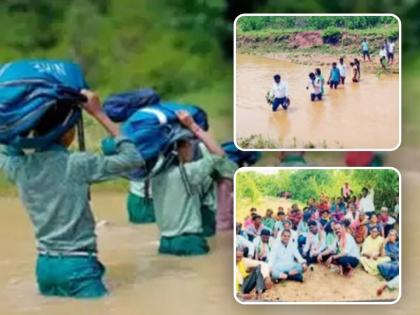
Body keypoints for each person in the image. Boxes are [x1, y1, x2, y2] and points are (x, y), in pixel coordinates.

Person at [0, 90, 145, 298]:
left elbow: (8, 148)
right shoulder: (76, 164)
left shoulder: (19, 167)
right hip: (78, 265)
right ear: (68, 133)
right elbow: (133, 158)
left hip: (44, 267)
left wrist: (18, 125)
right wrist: (99, 114)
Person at [152, 111, 236, 256]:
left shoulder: (155, 176)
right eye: (190, 144)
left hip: (165, 243)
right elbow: (219, 155)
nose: (192, 147)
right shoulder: (188, 172)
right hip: (189, 242)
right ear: (181, 149)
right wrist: (193, 126)